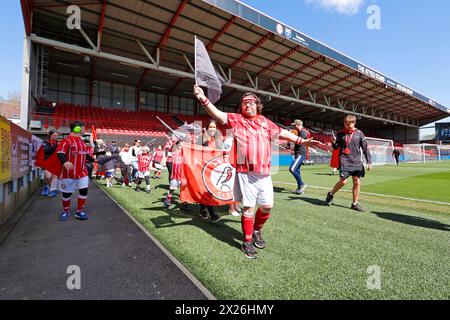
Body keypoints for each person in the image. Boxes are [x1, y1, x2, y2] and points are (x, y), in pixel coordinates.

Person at [193, 85, 317, 259]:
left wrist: (302, 141)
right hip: (246, 172)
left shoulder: (265, 122)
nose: (248, 106)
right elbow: (217, 114)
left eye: (251, 103)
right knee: (249, 208)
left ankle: (257, 230)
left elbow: (283, 133)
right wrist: (202, 98)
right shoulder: (236, 119)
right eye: (244, 103)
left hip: (264, 173)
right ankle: (247, 241)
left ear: (257, 105)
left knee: (267, 207)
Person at [325, 115, 372, 212]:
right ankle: (331, 194)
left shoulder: (360, 134)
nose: (346, 126)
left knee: (357, 181)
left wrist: (369, 161)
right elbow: (335, 147)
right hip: (344, 160)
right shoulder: (340, 133)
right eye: (345, 124)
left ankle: (354, 204)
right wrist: (333, 142)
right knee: (343, 182)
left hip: (356, 162)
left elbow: (365, 148)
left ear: (354, 123)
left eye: (349, 125)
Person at [56, 121, 96, 221]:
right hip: (69, 172)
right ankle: (66, 210)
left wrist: (93, 160)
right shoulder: (67, 140)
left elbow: (84, 154)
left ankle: (79, 211)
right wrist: (64, 161)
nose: (84, 129)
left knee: (84, 190)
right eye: (83, 128)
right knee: (67, 193)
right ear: (77, 128)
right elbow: (60, 153)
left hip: (82, 172)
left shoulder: (81, 141)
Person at [196, 119, 223, 222]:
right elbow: (196, 151)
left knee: (209, 191)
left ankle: (202, 209)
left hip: (214, 168)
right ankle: (212, 214)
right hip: (203, 168)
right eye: (210, 127)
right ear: (207, 128)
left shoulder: (218, 140)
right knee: (207, 190)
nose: (212, 129)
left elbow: (219, 153)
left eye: (214, 127)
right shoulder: (202, 138)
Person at [288, 120, 311, 194]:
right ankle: (299, 189)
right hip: (298, 153)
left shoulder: (303, 132)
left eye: (295, 125)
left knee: (292, 168)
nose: (294, 127)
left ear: (298, 125)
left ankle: (302, 184)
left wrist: (291, 135)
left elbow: (298, 141)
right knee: (297, 170)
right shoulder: (300, 132)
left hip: (301, 153)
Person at [41, 130, 60, 197]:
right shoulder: (45, 142)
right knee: (48, 177)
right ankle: (46, 186)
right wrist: (56, 146)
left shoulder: (58, 143)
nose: (55, 137)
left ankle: (52, 190)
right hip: (47, 162)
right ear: (50, 135)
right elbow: (46, 151)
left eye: (56, 136)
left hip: (56, 163)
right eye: (54, 135)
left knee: (54, 177)